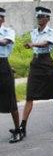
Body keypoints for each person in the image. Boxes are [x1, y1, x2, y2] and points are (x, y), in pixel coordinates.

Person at [21, 7, 53, 135]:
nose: (39, 19)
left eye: (42, 17)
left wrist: (33, 44)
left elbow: (46, 43)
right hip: (35, 64)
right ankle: (23, 126)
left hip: (46, 63)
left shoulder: (52, 32)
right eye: (38, 17)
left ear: (47, 18)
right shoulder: (34, 32)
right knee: (30, 95)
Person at [0, 8, 22, 143]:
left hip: (2, 66)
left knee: (10, 99)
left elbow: (4, 42)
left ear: (2, 19)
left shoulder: (9, 32)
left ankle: (17, 130)